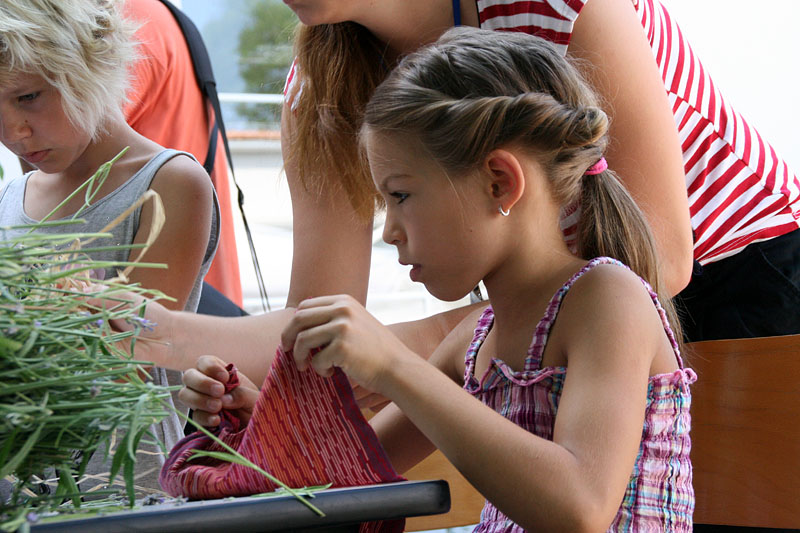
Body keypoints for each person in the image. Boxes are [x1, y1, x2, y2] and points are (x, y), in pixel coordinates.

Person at [185, 28, 697, 531]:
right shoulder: (472, 344)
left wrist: (395, 367)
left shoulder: (607, 298)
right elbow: (346, 473)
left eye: (401, 196)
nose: (388, 232)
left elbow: (580, 509)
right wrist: (254, 423)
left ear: (499, 181)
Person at [281, 0, 799, 342]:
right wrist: (264, 394)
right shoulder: (320, 89)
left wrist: (399, 354)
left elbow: (660, 256)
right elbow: (314, 317)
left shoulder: (556, 4)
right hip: (552, 318)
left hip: (747, 280)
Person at [0, 0, 218, 495]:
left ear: (92, 65)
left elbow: (133, 355)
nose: (13, 131)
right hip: (18, 488)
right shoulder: (13, 196)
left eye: (29, 96)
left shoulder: (168, 182)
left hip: (119, 486)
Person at [123, 0, 244, 308]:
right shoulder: (152, 15)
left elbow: (64, 171)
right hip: (197, 290)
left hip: (160, 302)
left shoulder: (124, 23)